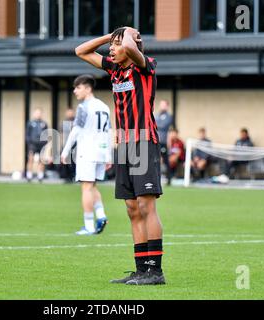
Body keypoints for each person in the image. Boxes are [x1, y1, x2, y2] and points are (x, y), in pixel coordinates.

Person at [75, 26, 165, 285]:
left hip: (143, 142)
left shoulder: (144, 65)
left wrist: (128, 33)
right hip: (125, 146)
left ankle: (155, 271)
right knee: (132, 208)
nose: (111, 49)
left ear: (131, 46)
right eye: (111, 45)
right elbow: (81, 50)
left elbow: (132, 48)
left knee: (147, 206)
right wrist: (110, 36)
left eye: (116, 45)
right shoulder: (114, 69)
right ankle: (140, 270)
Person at [61, 75, 111, 235]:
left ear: (88, 88)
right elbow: (109, 132)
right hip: (101, 152)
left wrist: (65, 150)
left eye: (78, 87)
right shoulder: (105, 107)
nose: (75, 91)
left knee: (86, 188)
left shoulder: (84, 107)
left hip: (87, 152)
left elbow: (76, 130)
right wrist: (109, 155)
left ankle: (89, 226)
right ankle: (101, 215)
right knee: (92, 185)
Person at [26, 108, 48, 182]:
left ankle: (40, 175)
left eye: (39, 113)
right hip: (33, 145)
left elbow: (46, 134)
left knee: (41, 161)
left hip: (41, 145)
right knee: (30, 159)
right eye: (37, 113)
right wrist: (29, 142)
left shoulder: (44, 124)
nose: (38, 114)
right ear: (34, 114)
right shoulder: (30, 123)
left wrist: (45, 143)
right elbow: (27, 134)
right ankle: (29, 175)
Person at [155, 100, 173, 180]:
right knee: (154, 160)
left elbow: (163, 125)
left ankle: (169, 178)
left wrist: (157, 124)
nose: (162, 106)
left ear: (167, 106)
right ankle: (155, 177)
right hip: (155, 141)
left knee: (165, 160)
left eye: (164, 105)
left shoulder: (168, 116)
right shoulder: (157, 115)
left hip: (163, 142)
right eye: (161, 104)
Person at [60, 108, 76, 182]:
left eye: (71, 113)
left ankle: (74, 176)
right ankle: (67, 176)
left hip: (75, 145)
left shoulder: (76, 122)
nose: (70, 114)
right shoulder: (64, 123)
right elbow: (61, 134)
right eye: (68, 113)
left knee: (74, 161)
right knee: (66, 161)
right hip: (66, 145)